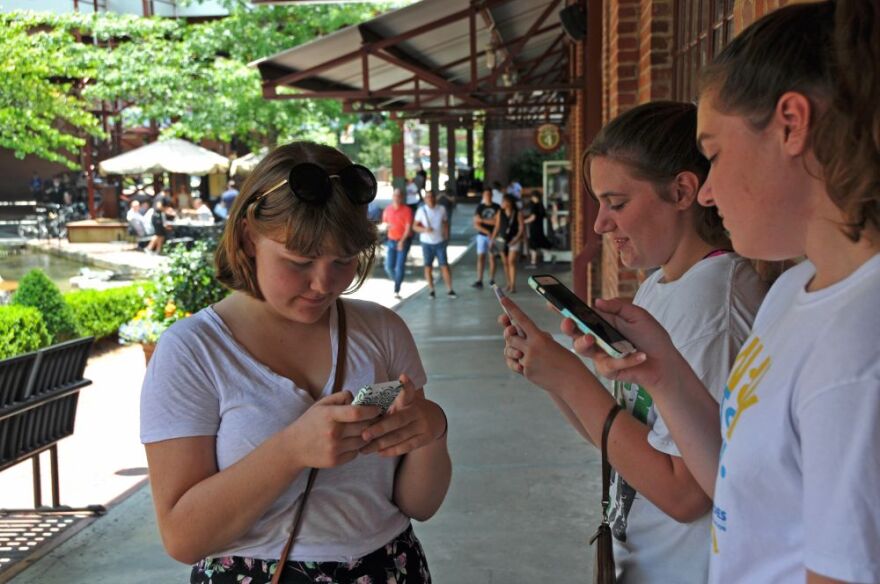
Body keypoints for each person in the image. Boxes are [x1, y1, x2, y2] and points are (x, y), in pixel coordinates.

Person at [507, 3, 880, 582]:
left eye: (713, 155)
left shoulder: (859, 342)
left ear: (791, 125)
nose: (707, 193)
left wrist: (571, 379)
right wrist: (661, 375)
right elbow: (733, 483)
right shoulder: (794, 292)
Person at [140, 141, 451, 584]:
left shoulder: (382, 331)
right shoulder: (193, 351)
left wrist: (432, 430)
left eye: (343, 260)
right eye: (299, 261)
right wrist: (291, 450)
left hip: (389, 568)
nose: (323, 284)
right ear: (249, 237)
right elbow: (183, 538)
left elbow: (419, 504)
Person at [500, 101, 768, 583]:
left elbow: (687, 494)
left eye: (617, 203)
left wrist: (571, 380)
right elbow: (622, 439)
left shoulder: (712, 304)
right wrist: (554, 377)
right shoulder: (662, 283)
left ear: (683, 190)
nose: (601, 223)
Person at [413, 190, 456, 299]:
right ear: (425, 199)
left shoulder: (442, 209)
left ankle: (450, 289)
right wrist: (424, 229)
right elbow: (414, 227)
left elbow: (445, 222)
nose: (430, 199)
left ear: (435, 198)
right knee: (428, 267)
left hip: (440, 242)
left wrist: (446, 235)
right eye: (427, 197)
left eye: (432, 196)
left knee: (444, 266)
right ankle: (431, 290)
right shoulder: (421, 210)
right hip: (426, 243)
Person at [381, 187, 414, 299]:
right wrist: (386, 227)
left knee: (399, 267)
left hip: (403, 241)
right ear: (392, 197)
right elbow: (385, 224)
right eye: (395, 195)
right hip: (391, 240)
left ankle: (397, 289)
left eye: (399, 195)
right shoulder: (387, 210)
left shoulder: (407, 210)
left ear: (402, 197)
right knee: (388, 267)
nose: (396, 197)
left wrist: (402, 241)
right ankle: (398, 280)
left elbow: (408, 229)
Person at [472, 188, 501, 289]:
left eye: (489, 194)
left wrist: (483, 220)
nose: (487, 196)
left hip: (494, 236)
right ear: (483, 196)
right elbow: (476, 224)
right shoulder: (480, 207)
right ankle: (479, 280)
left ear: (492, 195)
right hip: (482, 236)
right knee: (481, 257)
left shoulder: (497, 207)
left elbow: (497, 223)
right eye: (485, 194)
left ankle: (492, 279)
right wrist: (487, 231)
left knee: (492, 257)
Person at [497, 194, 524, 293]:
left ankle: (513, 285)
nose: (502, 203)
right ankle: (508, 283)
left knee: (511, 262)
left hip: (514, 239)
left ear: (508, 203)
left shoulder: (518, 213)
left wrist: (516, 239)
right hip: (502, 240)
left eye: (503, 201)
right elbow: (497, 226)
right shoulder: (500, 212)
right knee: (505, 263)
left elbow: (521, 228)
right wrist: (493, 239)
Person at [523, 191, 553, 268]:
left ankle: (533, 262)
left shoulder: (534, 206)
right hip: (540, 227)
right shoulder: (541, 205)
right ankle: (550, 256)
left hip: (534, 227)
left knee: (533, 244)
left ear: (534, 197)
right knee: (541, 241)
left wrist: (524, 221)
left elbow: (533, 217)